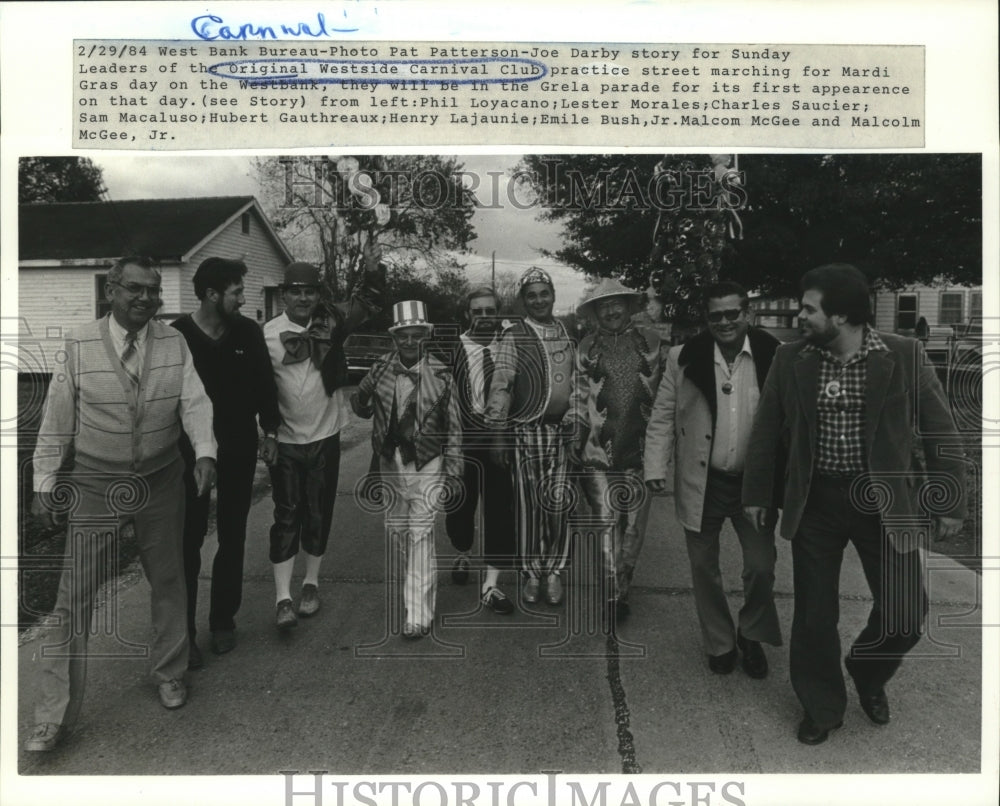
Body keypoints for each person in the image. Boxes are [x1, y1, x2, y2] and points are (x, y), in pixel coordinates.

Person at [742, 263, 966, 745]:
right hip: (817, 500)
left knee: (906, 613)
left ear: (841, 315)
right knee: (816, 616)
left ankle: (866, 671)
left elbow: (940, 431)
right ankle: (821, 707)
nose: (799, 315)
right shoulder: (791, 359)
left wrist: (951, 501)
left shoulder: (905, 355)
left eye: (808, 308)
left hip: (885, 501)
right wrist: (758, 494)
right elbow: (765, 432)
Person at [26, 255, 217, 752]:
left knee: (170, 580)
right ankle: (52, 716)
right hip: (95, 482)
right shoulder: (80, 343)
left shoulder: (174, 342)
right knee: (73, 598)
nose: (145, 299)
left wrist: (205, 452)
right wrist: (44, 479)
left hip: (160, 479)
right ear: (111, 291)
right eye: (134, 289)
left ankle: (170, 672)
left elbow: (194, 402)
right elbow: (57, 418)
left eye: (152, 292)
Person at [644, 281, 782, 678]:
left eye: (732, 314)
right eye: (715, 315)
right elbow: (662, 415)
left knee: (761, 566)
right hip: (701, 481)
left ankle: (751, 634)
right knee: (704, 568)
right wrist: (655, 466)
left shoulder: (774, 354)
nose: (724, 322)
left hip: (753, 487)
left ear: (747, 314)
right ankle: (720, 643)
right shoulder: (683, 357)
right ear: (707, 319)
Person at [263, 252, 383, 630]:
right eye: (295, 292)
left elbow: (367, 303)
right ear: (283, 295)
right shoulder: (264, 334)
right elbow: (257, 389)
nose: (303, 299)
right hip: (284, 439)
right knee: (286, 514)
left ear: (318, 295)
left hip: (326, 434)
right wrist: (264, 433)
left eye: (310, 292)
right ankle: (283, 597)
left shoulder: (331, 322)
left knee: (318, 511)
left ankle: (310, 585)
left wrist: (372, 269)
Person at [172, 257, 280, 666]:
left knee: (233, 534)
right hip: (189, 452)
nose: (243, 298)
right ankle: (183, 632)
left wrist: (270, 432)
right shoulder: (178, 336)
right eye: (236, 291)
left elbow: (264, 386)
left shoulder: (248, 332)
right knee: (189, 539)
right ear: (212, 294)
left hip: (236, 446)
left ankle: (222, 621)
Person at [350, 300, 464, 638]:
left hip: (428, 463)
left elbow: (455, 428)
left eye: (417, 336)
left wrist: (455, 472)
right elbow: (359, 404)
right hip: (391, 462)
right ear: (395, 338)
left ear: (425, 336)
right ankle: (414, 594)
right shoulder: (382, 368)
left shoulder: (443, 375)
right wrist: (365, 402)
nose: (410, 343)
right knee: (397, 532)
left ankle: (418, 612)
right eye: (404, 337)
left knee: (421, 533)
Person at [565, 278, 666, 619]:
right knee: (607, 522)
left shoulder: (653, 342)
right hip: (597, 451)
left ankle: (625, 582)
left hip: (641, 450)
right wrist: (574, 436)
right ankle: (612, 596)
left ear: (628, 305)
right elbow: (579, 396)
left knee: (634, 526)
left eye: (616, 303)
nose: (610, 310)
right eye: (602, 306)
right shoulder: (586, 346)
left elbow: (667, 398)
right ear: (594, 312)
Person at [485, 267, 576, 606]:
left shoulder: (567, 333)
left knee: (558, 505)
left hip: (561, 434)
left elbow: (578, 383)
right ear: (524, 301)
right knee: (528, 507)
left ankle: (554, 572)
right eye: (532, 295)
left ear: (553, 296)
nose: (539, 300)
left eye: (544, 293)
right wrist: (497, 434)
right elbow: (502, 385)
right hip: (525, 433)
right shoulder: (515, 336)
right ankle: (532, 573)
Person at [437, 287, 517, 614]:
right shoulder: (454, 347)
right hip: (463, 438)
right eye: (477, 312)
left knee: (499, 508)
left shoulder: (512, 345)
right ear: (467, 315)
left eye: (489, 311)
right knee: (459, 505)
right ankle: (461, 552)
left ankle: (491, 585)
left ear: (498, 312)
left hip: (500, 436)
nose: (483, 317)